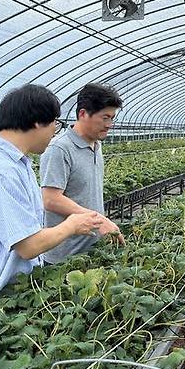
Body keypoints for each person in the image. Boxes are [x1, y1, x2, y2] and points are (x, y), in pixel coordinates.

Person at [0, 84, 104, 319]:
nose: (55, 131)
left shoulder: (19, 164)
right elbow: (28, 245)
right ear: (37, 122)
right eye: (55, 123)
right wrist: (72, 225)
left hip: (7, 298)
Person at [40, 83, 125, 265]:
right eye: (105, 118)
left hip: (92, 248)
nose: (109, 125)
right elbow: (50, 199)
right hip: (65, 258)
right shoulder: (60, 148)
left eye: (112, 118)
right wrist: (99, 221)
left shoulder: (96, 144)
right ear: (83, 114)